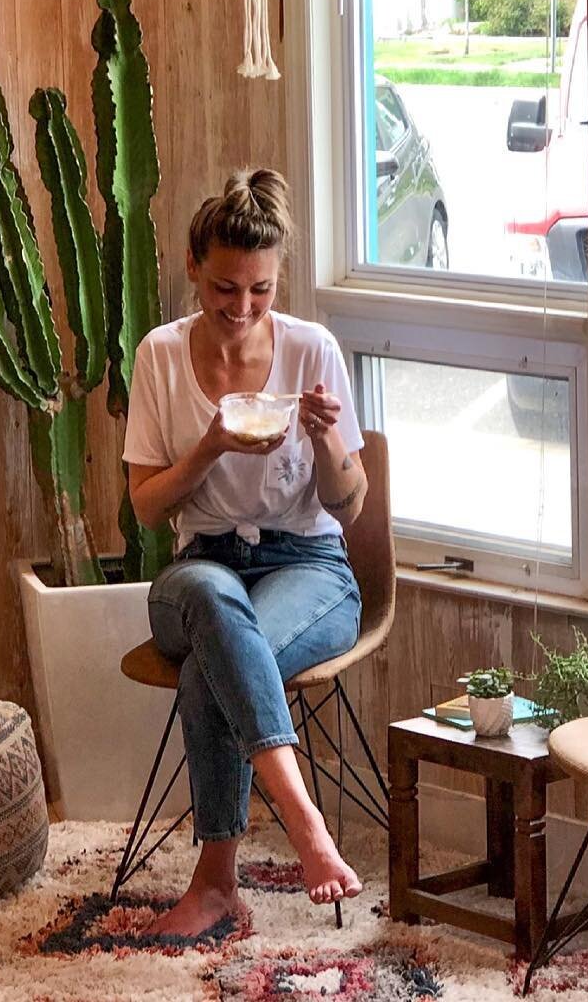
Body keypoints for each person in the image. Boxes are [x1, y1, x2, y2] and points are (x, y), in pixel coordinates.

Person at [123, 168, 369, 938]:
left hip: (310, 568)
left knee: (215, 658)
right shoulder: (160, 356)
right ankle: (305, 826)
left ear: (277, 278)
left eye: (259, 290)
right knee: (212, 606)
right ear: (195, 265)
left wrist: (329, 440)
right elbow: (145, 505)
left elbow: (348, 504)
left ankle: (215, 884)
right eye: (225, 288)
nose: (240, 308)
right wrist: (208, 446)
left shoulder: (312, 349)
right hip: (201, 568)